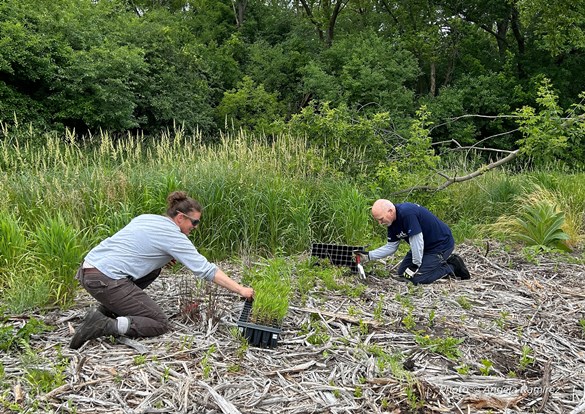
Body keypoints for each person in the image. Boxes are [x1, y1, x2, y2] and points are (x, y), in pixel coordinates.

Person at [70, 191, 254, 349]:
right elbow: (205, 270)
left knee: (154, 269)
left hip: (89, 271)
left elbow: (135, 246)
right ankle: (105, 324)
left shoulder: (147, 218)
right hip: (105, 280)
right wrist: (240, 289)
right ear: (180, 217)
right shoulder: (173, 236)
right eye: (194, 223)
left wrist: (159, 258)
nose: (195, 228)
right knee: (158, 323)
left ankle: (108, 309)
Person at [354, 199, 470, 285]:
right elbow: (391, 247)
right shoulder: (391, 224)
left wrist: (415, 264)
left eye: (381, 219)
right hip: (424, 248)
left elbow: (417, 240)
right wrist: (369, 256)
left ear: (390, 211)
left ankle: (452, 266)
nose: (380, 223)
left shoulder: (407, 213)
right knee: (402, 273)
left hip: (440, 245)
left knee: (417, 279)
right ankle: (432, 263)